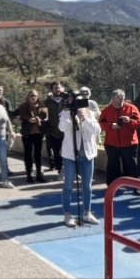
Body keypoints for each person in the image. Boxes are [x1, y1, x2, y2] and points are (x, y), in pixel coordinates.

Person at [59, 89, 102, 227]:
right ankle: (67, 214)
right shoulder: (65, 113)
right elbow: (62, 128)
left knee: (87, 186)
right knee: (68, 185)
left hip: (88, 154)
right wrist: (67, 112)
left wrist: (85, 118)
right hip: (70, 155)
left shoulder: (89, 113)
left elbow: (97, 131)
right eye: (73, 100)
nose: (76, 103)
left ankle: (87, 213)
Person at [99, 89, 140, 187]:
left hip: (129, 143)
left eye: (120, 102)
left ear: (124, 99)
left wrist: (129, 121)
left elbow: (139, 123)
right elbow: (101, 124)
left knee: (131, 164)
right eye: (115, 102)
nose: (117, 104)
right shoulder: (106, 110)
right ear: (111, 99)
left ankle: (136, 185)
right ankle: (112, 185)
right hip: (111, 143)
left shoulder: (132, 108)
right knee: (112, 165)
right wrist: (111, 126)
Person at [16, 89, 48, 183]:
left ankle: (39, 174)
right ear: (28, 97)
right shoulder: (23, 106)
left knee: (38, 154)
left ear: (38, 97)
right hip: (27, 134)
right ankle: (29, 174)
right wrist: (17, 120)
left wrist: (38, 120)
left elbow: (46, 118)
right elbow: (12, 114)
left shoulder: (42, 106)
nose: (33, 97)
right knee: (28, 154)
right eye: (31, 96)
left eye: (35, 96)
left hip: (38, 133)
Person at [43, 82, 66, 175]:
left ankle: (70, 171)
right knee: (57, 152)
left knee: (68, 152)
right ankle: (60, 170)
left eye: (59, 88)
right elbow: (43, 117)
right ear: (51, 90)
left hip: (66, 131)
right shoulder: (46, 103)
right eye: (55, 88)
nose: (58, 90)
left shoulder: (66, 101)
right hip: (53, 132)